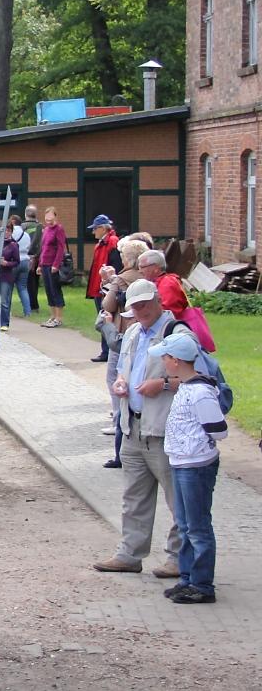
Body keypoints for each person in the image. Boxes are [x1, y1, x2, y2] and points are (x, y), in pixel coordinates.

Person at [93, 279, 197, 578]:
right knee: (133, 497)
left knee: (177, 499)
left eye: (144, 304)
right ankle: (129, 554)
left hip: (165, 431)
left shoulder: (177, 335)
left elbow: (198, 379)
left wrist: (162, 384)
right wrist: (121, 383)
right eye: (135, 306)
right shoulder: (134, 332)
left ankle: (179, 558)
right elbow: (126, 370)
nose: (140, 311)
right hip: (132, 425)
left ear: (158, 301)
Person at [149, 330, 228, 604]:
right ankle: (187, 578)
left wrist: (195, 443)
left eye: (166, 358)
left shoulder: (201, 392)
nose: (163, 363)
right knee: (184, 524)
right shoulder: (185, 387)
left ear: (175, 361)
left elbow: (218, 430)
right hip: (182, 463)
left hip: (196, 466)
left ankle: (202, 584)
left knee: (197, 526)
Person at [98, 238, 151, 467]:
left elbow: (108, 306)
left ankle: (118, 427)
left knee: (117, 379)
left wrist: (110, 285)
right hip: (144, 336)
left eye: (122, 256)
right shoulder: (149, 280)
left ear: (128, 259)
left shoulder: (122, 279)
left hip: (123, 331)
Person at [86, 214, 121, 362]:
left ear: (102, 228)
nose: (93, 232)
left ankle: (109, 351)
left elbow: (116, 266)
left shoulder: (112, 243)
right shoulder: (102, 243)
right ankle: (105, 351)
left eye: (95, 229)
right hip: (99, 288)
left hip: (106, 289)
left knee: (107, 320)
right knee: (103, 319)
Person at [36, 206, 67, 328]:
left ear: (55, 216)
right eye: (46, 216)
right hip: (44, 263)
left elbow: (60, 248)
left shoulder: (59, 229)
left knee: (55, 290)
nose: (48, 219)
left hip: (53, 264)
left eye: (50, 216)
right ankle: (52, 316)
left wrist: (56, 264)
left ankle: (59, 318)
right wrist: (39, 264)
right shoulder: (46, 230)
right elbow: (43, 248)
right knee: (48, 290)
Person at [135, 249, 189, 315]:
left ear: (155, 268)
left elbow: (167, 312)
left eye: (142, 267)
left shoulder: (168, 283)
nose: (139, 271)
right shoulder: (157, 282)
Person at [8, 214, 32, 317]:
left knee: (8, 288)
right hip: (25, 261)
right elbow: (29, 247)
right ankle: (27, 312)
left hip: (13, 262)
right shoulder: (26, 234)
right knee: (23, 288)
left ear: (13, 221)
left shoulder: (11, 233)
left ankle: (7, 312)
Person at [20, 205, 42, 313]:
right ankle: (34, 304)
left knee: (28, 283)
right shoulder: (40, 226)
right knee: (35, 282)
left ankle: (32, 306)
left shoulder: (22, 226)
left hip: (26, 257)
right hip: (39, 258)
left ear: (25, 214)